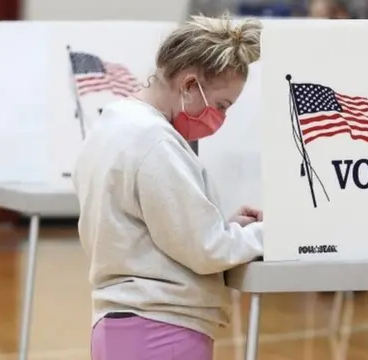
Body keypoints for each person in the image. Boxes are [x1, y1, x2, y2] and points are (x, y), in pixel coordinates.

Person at [73, 15, 264, 360]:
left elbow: (159, 233)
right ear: (189, 84)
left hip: (118, 325)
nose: (220, 117)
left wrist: (226, 227)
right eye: (221, 105)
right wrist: (269, 234)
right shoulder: (155, 142)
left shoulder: (112, 125)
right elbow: (207, 250)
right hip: (162, 330)